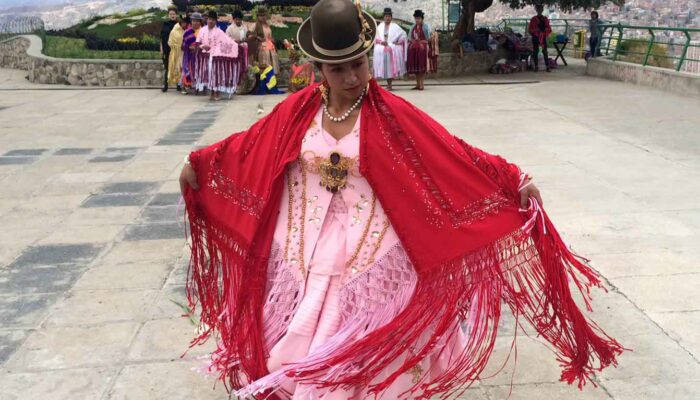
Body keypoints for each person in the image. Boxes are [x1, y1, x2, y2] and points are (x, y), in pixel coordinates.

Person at [178, 0, 623, 397]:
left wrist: (511, 178)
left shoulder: (389, 115)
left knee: (365, 339)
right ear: (318, 69)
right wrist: (199, 163)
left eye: (360, 64)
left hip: (371, 248)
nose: (353, 77)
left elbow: (452, 152)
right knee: (307, 328)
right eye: (339, 69)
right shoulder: (297, 112)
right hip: (306, 245)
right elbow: (247, 147)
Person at [197, 11, 239, 100]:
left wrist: (238, 46)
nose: (210, 21)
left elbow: (227, 41)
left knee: (216, 74)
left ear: (216, 21)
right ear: (206, 20)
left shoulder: (219, 32)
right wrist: (202, 46)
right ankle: (212, 92)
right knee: (209, 75)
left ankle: (217, 93)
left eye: (212, 20)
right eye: (209, 19)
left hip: (216, 57)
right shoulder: (202, 30)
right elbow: (197, 43)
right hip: (205, 57)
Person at [372, 7, 406, 91]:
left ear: (391, 17)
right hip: (383, 50)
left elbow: (403, 35)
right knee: (386, 68)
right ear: (384, 17)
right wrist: (381, 42)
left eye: (389, 16)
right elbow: (376, 37)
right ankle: (388, 84)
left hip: (391, 50)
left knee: (390, 68)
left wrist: (398, 43)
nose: (387, 18)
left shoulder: (395, 27)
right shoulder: (380, 27)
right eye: (386, 16)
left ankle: (390, 85)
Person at [251, 7, 280, 78]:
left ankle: (273, 76)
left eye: (264, 15)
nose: (263, 17)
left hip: (270, 45)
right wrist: (257, 37)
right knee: (265, 57)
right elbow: (250, 35)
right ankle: (265, 77)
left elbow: (270, 36)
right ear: (258, 17)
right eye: (261, 16)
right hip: (261, 46)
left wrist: (272, 40)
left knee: (273, 57)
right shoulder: (255, 25)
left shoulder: (267, 25)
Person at [407, 9, 431, 90]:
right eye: (416, 18)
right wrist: (412, 41)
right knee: (416, 66)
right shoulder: (412, 27)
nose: (417, 20)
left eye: (419, 18)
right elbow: (409, 37)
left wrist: (421, 42)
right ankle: (417, 84)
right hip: (414, 49)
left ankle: (422, 84)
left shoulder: (425, 27)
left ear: (422, 19)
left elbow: (428, 38)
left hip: (422, 49)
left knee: (421, 65)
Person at [226, 9, 250, 87]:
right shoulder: (230, 28)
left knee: (244, 66)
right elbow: (227, 39)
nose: (238, 21)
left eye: (240, 19)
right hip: (234, 50)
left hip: (244, 49)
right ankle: (234, 83)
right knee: (236, 67)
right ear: (234, 19)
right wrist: (235, 41)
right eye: (237, 19)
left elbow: (247, 36)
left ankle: (242, 84)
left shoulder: (244, 27)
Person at [181, 13, 202, 95]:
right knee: (187, 70)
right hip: (188, 56)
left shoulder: (203, 31)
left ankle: (198, 87)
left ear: (200, 22)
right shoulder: (187, 32)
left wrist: (197, 47)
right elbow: (183, 45)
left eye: (197, 21)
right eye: (193, 21)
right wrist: (188, 47)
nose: (195, 23)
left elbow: (205, 43)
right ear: (191, 21)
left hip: (199, 56)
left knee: (198, 70)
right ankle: (184, 86)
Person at [528, 4, 552, 72]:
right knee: (536, 51)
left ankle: (547, 66)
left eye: (540, 9)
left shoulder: (545, 19)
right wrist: (537, 30)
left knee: (545, 52)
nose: (539, 10)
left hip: (543, 36)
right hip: (536, 37)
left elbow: (549, 28)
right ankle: (536, 66)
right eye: (538, 9)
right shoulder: (533, 19)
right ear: (537, 10)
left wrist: (544, 31)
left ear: (542, 10)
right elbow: (530, 30)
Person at [167, 15, 188, 91]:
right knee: (178, 68)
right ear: (180, 22)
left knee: (184, 69)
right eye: (183, 22)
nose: (184, 24)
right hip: (176, 53)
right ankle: (180, 85)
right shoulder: (174, 30)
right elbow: (170, 42)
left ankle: (183, 85)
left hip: (185, 53)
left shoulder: (187, 30)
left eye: (186, 23)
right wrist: (178, 46)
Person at [159, 7, 178, 92]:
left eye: (173, 14)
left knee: (177, 67)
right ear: (168, 15)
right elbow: (161, 38)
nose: (172, 15)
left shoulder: (179, 25)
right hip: (167, 50)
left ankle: (179, 85)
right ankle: (165, 86)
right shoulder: (165, 24)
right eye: (170, 14)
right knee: (167, 68)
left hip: (177, 50)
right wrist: (161, 49)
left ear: (176, 15)